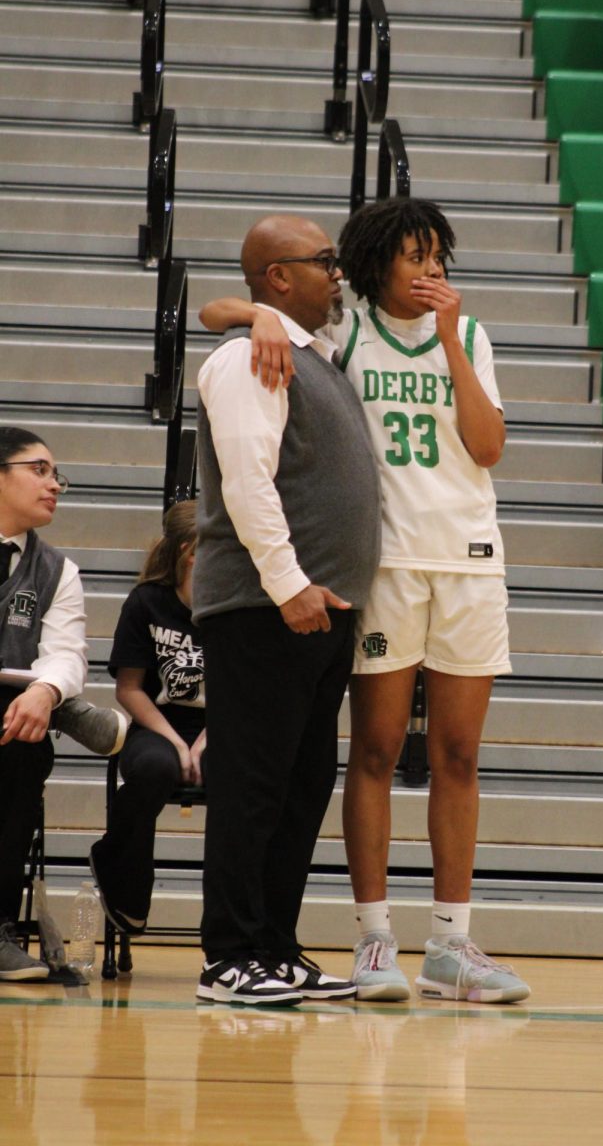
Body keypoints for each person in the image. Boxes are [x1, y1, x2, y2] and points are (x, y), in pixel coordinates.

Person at [200, 196, 531, 1004]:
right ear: (376, 263)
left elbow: (488, 446)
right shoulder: (339, 332)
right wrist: (258, 314)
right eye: (414, 257)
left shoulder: (473, 334)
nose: (431, 271)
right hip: (382, 568)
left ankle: (451, 943)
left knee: (456, 756)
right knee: (373, 752)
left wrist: (450, 337)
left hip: (469, 559)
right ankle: (374, 938)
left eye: (439, 257)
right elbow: (219, 310)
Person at [193, 213, 381, 1007]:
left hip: (318, 612)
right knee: (252, 783)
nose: (338, 274)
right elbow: (247, 484)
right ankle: (229, 955)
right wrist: (289, 584)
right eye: (323, 262)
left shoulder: (316, 356)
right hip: (265, 608)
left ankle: (274, 945)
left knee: (302, 784)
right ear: (276, 276)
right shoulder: (248, 358)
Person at [89, 500, 204, 936]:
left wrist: (205, 741)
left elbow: (244, 692)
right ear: (191, 551)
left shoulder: (234, 605)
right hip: (157, 724)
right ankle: (121, 872)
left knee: (245, 776)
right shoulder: (146, 602)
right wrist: (177, 743)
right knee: (157, 767)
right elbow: (129, 689)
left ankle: (239, 920)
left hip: (224, 727)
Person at [0, 427, 87, 982]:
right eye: (39, 469)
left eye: (57, 475)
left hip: (8, 712)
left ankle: (0, 927)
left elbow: (67, 655)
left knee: (24, 747)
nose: (54, 484)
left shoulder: (60, 571)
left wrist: (44, 690)